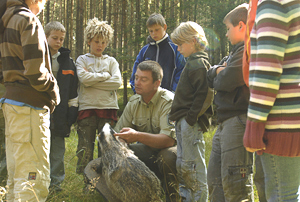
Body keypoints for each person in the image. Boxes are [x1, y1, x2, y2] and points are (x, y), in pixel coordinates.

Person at [0, 0, 60, 201]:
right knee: (32, 178)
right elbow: (36, 72)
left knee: (17, 175)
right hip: (30, 109)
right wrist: (53, 90)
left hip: (11, 105)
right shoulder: (27, 20)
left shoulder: (6, 20)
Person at [243, 0, 300, 201]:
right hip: (293, 117)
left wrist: (254, 125)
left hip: (282, 122)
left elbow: (267, 70)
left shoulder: (276, 4)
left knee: (282, 195)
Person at [206, 3, 254, 202]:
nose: (225, 34)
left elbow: (226, 80)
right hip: (225, 122)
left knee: (236, 185)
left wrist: (220, 72)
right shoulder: (235, 52)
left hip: (238, 120)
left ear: (241, 26)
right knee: (215, 181)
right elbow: (212, 76)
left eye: (228, 28)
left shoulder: (247, 50)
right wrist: (219, 70)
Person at [114, 60, 178, 202]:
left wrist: (136, 135)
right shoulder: (134, 102)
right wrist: (121, 143)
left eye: (144, 79)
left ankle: (173, 197)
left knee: (167, 156)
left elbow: (168, 140)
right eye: (136, 77)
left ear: (157, 83)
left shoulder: (168, 101)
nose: (137, 83)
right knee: (120, 153)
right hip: (149, 148)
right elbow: (117, 134)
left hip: (173, 149)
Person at [168, 21, 213, 202]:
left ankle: (199, 199)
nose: (178, 49)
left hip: (190, 123)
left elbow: (205, 95)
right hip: (183, 122)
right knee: (184, 165)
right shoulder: (191, 62)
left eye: (180, 44)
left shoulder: (200, 64)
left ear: (193, 41)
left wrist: (191, 118)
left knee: (193, 166)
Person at [75, 18, 122, 174]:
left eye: (103, 42)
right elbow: (83, 79)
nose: (100, 45)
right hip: (87, 109)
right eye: (96, 41)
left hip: (108, 109)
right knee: (85, 148)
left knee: (106, 148)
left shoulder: (112, 61)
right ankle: (86, 183)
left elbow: (116, 82)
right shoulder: (82, 60)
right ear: (89, 40)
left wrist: (92, 80)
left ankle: (104, 184)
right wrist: (104, 75)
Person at [45, 21, 78, 192]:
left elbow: (73, 91)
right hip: (41, 113)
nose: (58, 42)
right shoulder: (38, 57)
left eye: (61, 39)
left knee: (57, 152)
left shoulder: (68, 63)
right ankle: (37, 183)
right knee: (39, 150)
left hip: (60, 116)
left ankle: (55, 185)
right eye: (55, 38)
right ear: (46, 37)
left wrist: (71, 116)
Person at [129, 13, 186, 93]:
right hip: (146, 98)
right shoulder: (144, 50)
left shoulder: (175, 49)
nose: (153, 33)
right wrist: (138, 92)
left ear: (164, 27)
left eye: (157, 30)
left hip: (169, 99)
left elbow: (181, 72)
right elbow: (135, 74)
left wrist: (173, 93)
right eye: (151, 31)